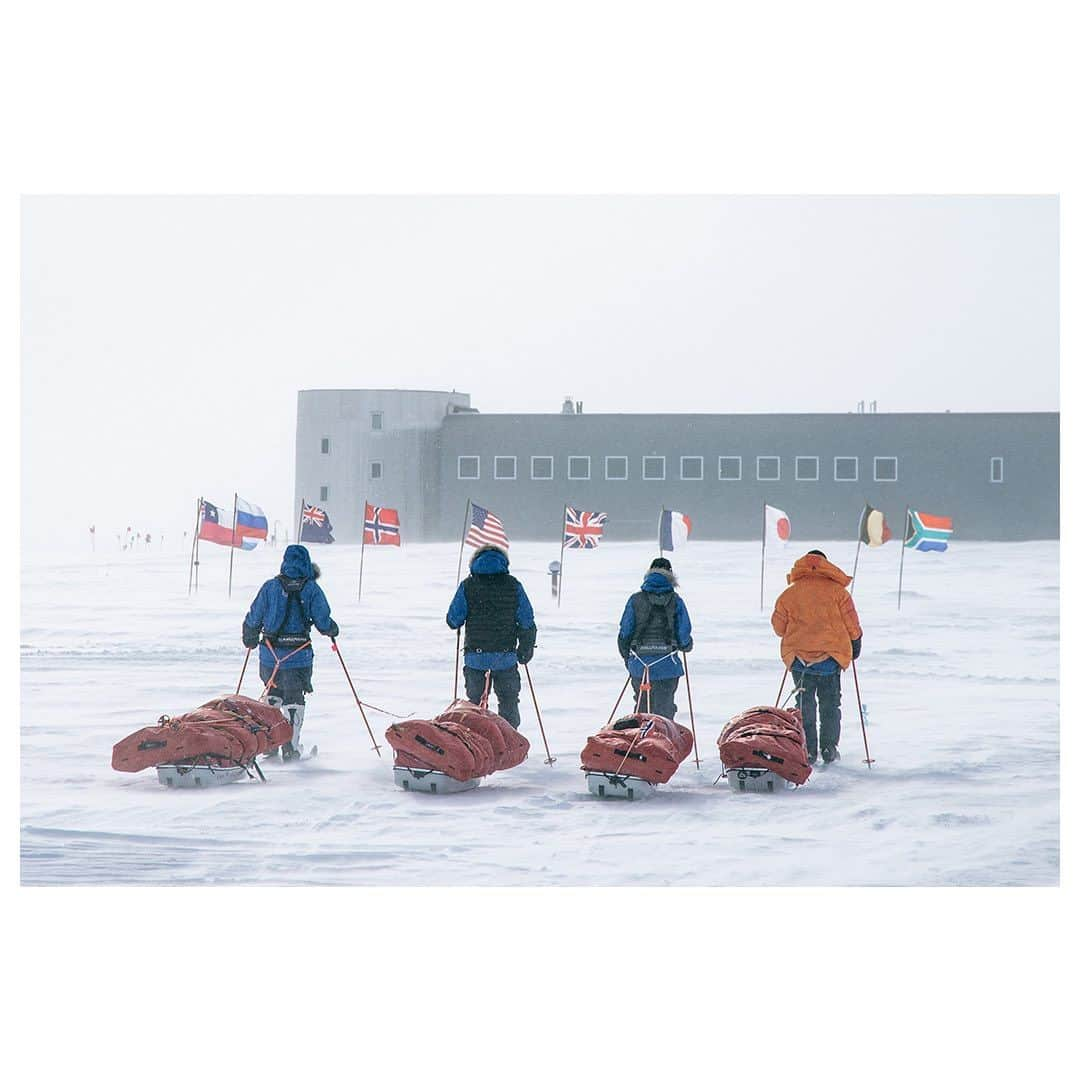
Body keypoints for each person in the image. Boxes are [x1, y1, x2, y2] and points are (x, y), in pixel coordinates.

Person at [242, 544, 339, 761]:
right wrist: (331, 629)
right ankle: (291, 746)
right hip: (298, 657)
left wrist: (249, 635)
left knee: (273, 694)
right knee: (294, 698)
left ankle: (270, 743)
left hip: (270, 657)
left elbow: (254, 616)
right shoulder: (311, 589)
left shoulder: (270, 587)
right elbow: (323, 621)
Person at [770, 549, 863, 764]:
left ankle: (808, 749)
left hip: (799, 660)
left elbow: (778, 628)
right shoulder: (839, 593)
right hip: (831, 658)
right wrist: (855, 643)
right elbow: (852, 625)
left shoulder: (789, 594)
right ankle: (829, 747)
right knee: (830, 704)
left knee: (804, 705)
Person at [446, 545, 536, 728]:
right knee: (508, 701)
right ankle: (509, 741)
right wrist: (526, 647)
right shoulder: (513, 585)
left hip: (475, 657)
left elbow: (453, 620)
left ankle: (474, 742)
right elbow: (526, 620)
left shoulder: (468, 585)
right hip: (505, 657)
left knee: (475, 704)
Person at [617, 557, 693, 720]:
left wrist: (627, 658)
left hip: (640, 665)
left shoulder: (635, 600)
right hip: (667, 665)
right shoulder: (676, 601)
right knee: (664, 710)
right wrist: (686, 645)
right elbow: (684, 635)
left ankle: (642, 740)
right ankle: (663, 740)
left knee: (642, 709)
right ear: (671, 576)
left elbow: (625, 632)